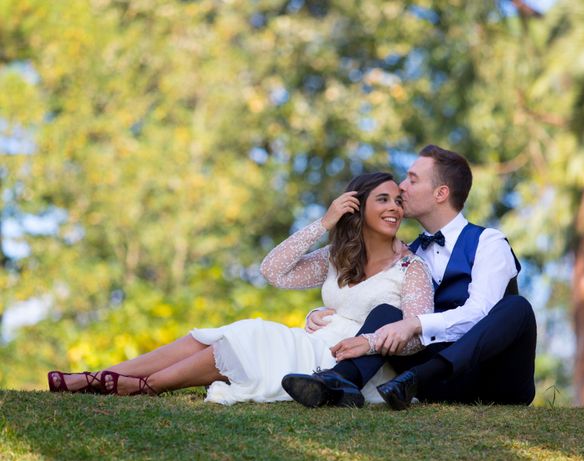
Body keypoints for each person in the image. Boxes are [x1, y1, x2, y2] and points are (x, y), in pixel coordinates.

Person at [47, 172, 434, 405]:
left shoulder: (410, 267)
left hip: (349, 364)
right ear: (356, 207)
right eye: (383, 199)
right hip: (312, 339)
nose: (395, 208)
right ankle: (102, 375)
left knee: (245, 337)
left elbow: (417, 336)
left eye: (399, 201)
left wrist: (366, 338)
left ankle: (138, 387)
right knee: (207, 338)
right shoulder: (339, 255)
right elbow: (274, 271)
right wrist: (323, 223)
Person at [283, 145, 537, 410]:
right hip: (436, 384)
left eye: (412, 179)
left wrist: (415, 323)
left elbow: (479, 313)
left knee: (517, 308)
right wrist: (328, 312)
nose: (401, 187)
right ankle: (338, 382)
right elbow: (369, 302)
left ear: (441, 193)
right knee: (386, 310)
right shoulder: (406, 255)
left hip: (494, 378)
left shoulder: (488, 242)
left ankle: (414, 379)